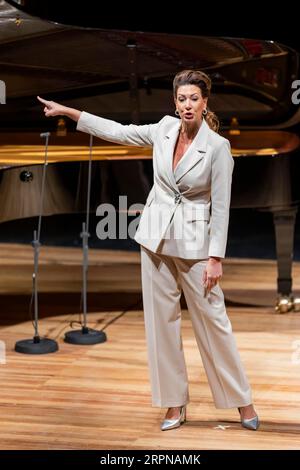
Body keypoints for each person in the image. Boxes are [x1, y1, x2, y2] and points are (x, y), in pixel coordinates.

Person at [37, 69, 259, 431]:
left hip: (196, 247)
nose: (188, 105)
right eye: (182, 99)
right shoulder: (163, 129)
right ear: (175, 102)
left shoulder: (218, 148)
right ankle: (174, 405)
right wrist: (70, 113)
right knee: (161, 327)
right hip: (154, 241)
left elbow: (222, 206)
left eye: (194, 99)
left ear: (205, 103)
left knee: (215, 326)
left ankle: (242, 402)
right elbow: (118, 131)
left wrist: (216, 257)